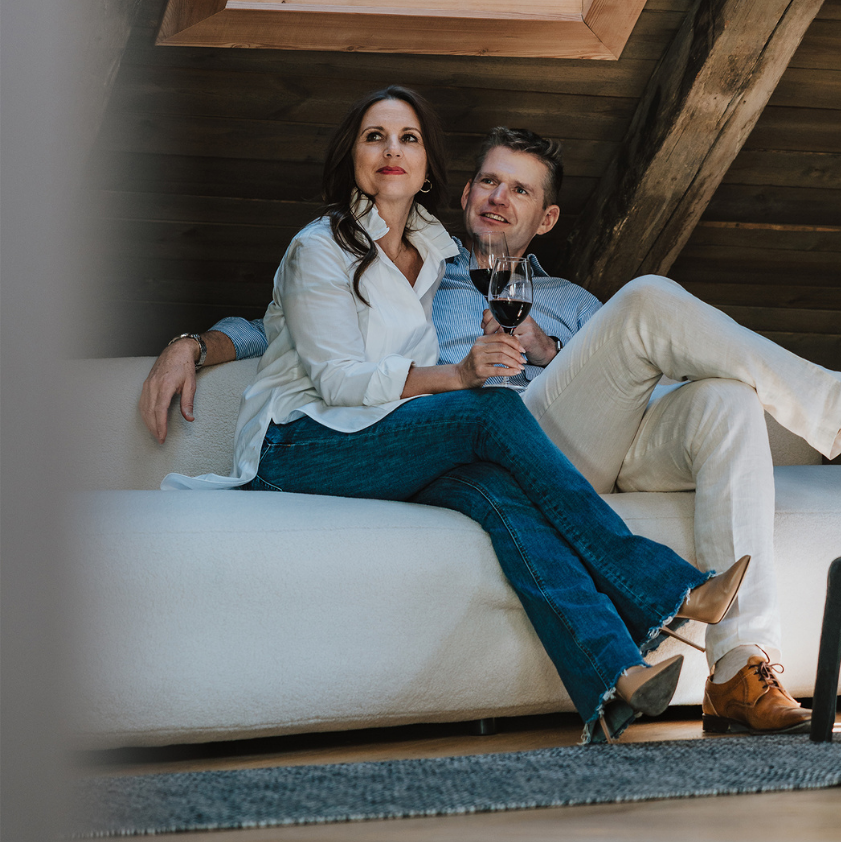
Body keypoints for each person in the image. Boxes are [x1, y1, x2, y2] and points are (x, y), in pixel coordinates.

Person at [142, 120, 841, 736]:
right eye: (487, 181)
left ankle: (743, 668)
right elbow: (293, 329)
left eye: (519, 190)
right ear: (465, 190)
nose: (496, 199)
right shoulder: (420, 270)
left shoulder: (572, 305)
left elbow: (670, 377)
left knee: (724, 399)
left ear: (545, 218)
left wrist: (563, 350)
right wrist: (195, 343)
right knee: (651, 300)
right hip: (496, 438)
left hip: (588, 438)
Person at [158, 85, 754, 745]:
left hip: (387, 438)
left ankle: (615, 676)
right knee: (484, 412)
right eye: (374, 136)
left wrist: (529, 355)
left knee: (498, 494)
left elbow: (277, 325)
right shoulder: (319, 248)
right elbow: (325, 367)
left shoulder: (433, 252)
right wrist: (193, 344)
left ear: (429, 167)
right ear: (352, 156)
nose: (391, 151)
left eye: (407, 138)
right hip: (301, 443)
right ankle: (665, 584)